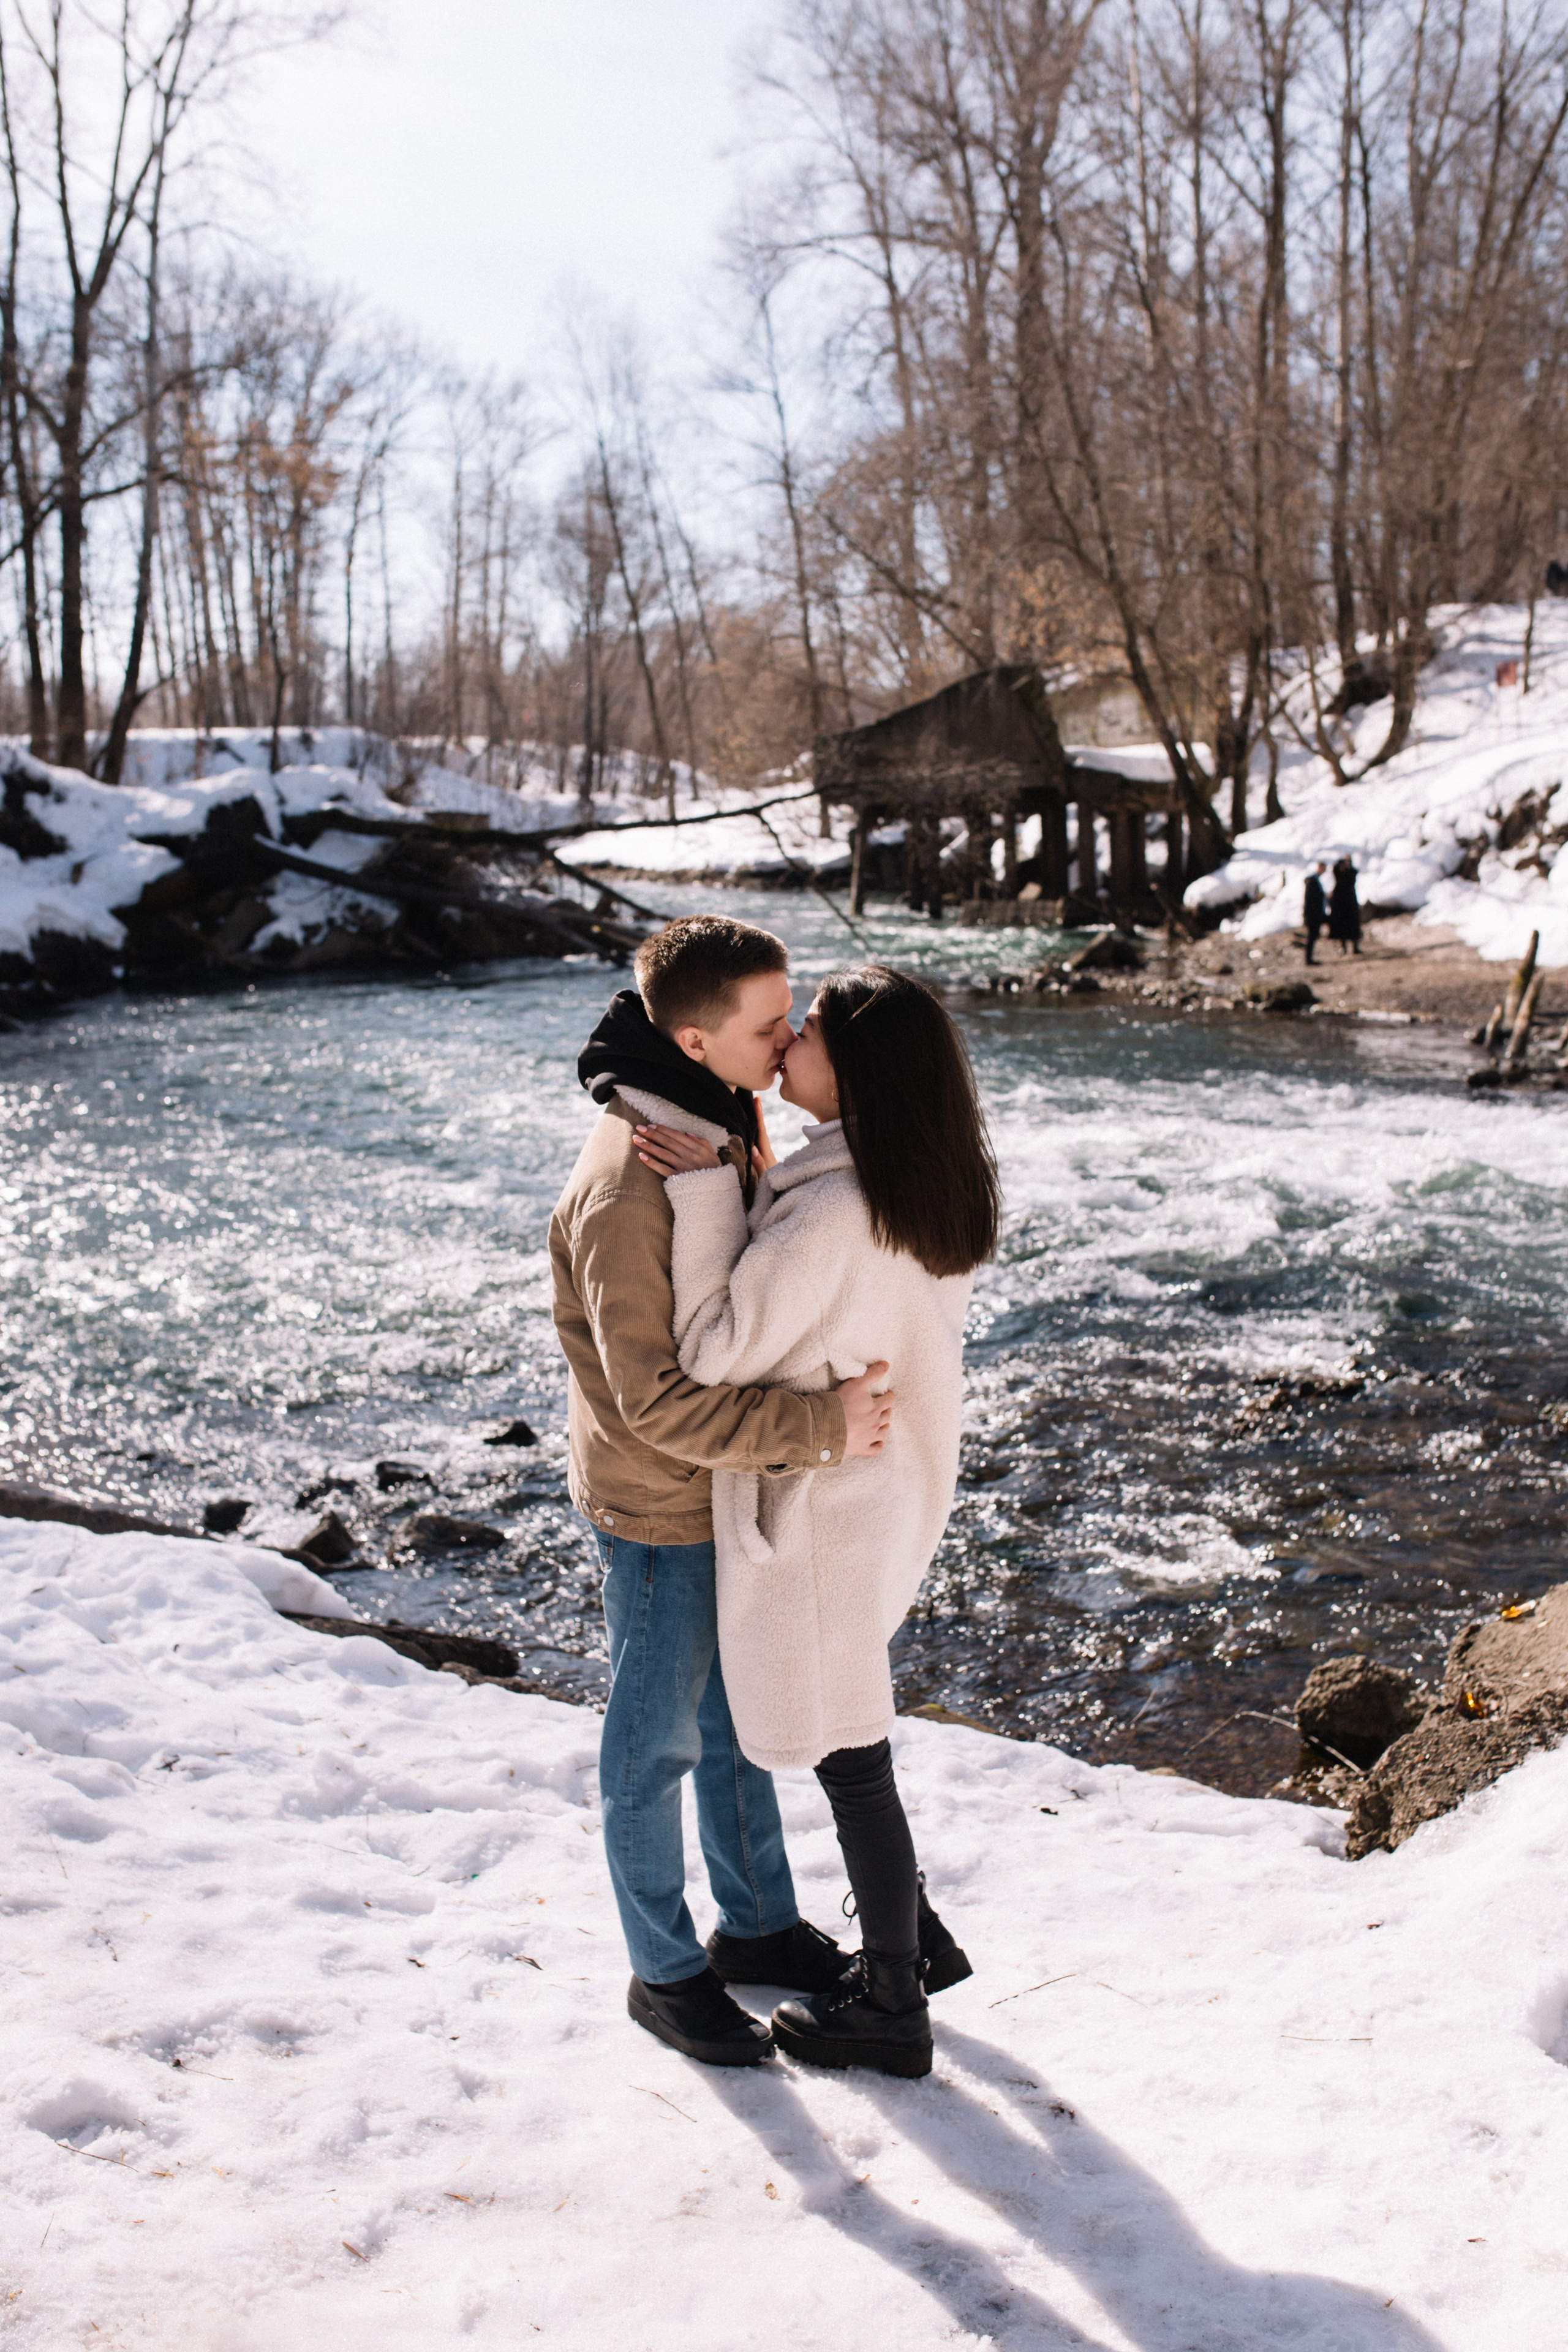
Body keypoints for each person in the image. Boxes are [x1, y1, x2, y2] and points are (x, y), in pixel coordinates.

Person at [634, 964, 1001, 2081]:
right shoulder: (914, 1182)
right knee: (857, 1735)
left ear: (858, 1070)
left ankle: (892, 2001)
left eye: (810, 1035)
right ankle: (915, 1944)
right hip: (877, 1504)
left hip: (827, 1514)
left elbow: (711, 1349)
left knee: (854, 1753)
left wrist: (704, 1194)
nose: (786, 1043)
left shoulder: (837, 1211)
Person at [549, 916, 897, 2070]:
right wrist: (823, 1431)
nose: (792, 1034)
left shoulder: (715, 1115)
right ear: (695, 1041)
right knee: (652, 1747)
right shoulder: (627, 1188)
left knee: (736, 1725)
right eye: (769, 1023)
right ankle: (664, 1972)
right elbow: (653, 1402)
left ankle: (755, 1926)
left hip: (724, 1492)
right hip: (659, 1506)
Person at [1329, 856, 1362, 955]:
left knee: (1353, 926)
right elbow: (1335, 871)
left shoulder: (1351, 872)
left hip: (1350, 903)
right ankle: (1343, 947)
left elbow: (1354, 873)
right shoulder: (1338, 873)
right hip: (1340, 903)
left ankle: (1355, 947)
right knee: (1341, 926)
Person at [1302, 862, 1327, 964]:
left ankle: (1309, 958)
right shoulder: (1312, 882)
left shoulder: (1316, 881)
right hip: (1313, 915)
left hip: (1315, 914)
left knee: (1312, 937)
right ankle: (1308, 959)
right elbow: (1309, 900)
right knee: (1311, 937)